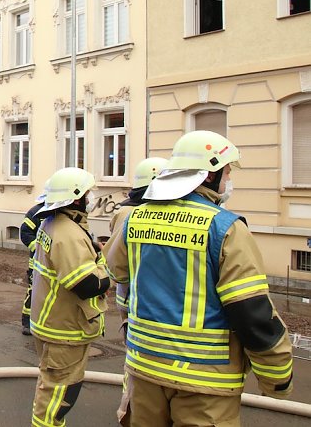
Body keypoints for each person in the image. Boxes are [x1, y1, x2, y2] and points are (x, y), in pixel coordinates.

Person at [105, 130, 293, 426]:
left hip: (143, 367)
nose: (229, 179)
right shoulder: (226, 228)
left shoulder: (135, 217)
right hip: (203, 380)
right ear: (208, 175)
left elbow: (116, 271)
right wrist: (277, 376)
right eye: (227, 171)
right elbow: (251, 312)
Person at [29, 167, 110, 427]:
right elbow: (86, 284)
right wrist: (108, 269)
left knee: (53, 390)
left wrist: (93, 251)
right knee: (58, 396)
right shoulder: (68, 233)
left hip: (51, 322)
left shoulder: (53, 224)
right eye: (87, 193)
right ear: (76, 198)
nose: (90, 198)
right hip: (64, 328)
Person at [102, 156, 167, 426]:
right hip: (137, 298)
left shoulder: (127, 211)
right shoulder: (133, 214)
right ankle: (129, 411)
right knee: (137, 358)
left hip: (133, 297)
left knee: (139, 356)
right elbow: (117, 261)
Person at [19, 189, 47, 336]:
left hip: (52, 264)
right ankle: (27, 322)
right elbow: (24, 233)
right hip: (36, 262)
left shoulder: (59, 214)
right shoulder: (35, 213)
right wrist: (38, 248)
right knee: (33, 291)